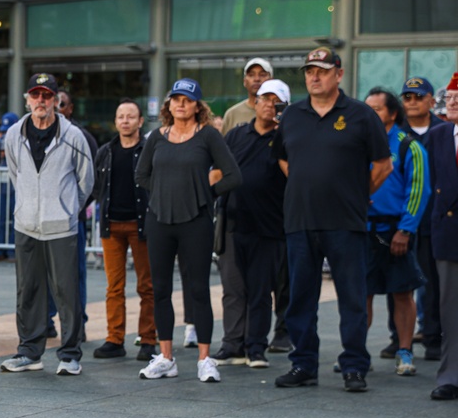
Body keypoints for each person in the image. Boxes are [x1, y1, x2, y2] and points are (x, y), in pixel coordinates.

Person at [272, 47, 393, 393]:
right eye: (310, 71)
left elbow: (384, 165)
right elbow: (281, 158)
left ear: (338, 74)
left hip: (346, 221)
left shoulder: (360, 115)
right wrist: (302, 181)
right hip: (300, 220)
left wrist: (357, 193)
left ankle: (354, 366)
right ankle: (303, 364)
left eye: (322, 71)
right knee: (301, 297)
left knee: (352, 297)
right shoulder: (292, 115)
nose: (314, 76)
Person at [135, 78, 241, 383]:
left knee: (198, 290)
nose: (181, 103)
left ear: (197, 106)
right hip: (160, 220)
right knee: (161, 290)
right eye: (176, 98)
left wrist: (204, 195)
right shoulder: (156, 137)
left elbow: (233, 175)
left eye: (187, 99)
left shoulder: (208, 135)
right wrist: (165, 193)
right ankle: (166, 358)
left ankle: (205, 359)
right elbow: (142, 174)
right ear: (169, 104)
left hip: (195, 221)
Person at [0, 73, 93, 376]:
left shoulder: (73, 136)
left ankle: (69, 354)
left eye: (47, 96)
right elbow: (16, 174)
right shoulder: (14, 134)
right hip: (26, 226)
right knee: (28, 290)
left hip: (61, 227)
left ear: (57, 100)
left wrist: (66, 209)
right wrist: (28, 205)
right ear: (27, 98)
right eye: (36, 95)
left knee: (67, 292)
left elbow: (85, 180)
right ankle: (29, 352)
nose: (41, 101)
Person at [213, 79, 289, 369]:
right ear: (255, 102)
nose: (269, 104)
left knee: (260, 291)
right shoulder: (235, 135)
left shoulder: (285, 138)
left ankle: (255, 347)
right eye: (265, 98)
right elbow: (218, 172)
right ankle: (232, 344)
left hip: (270, 227)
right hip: (233, 223)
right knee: (233, 289)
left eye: (276, 101)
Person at [363, 87, 430, 377]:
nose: (370, 114)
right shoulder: (358, 144)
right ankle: (356, 352)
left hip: (395, 230)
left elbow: (418, 191)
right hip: (363, 229)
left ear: (392, 113)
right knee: (360, 294)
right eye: (367, 108)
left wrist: (405, 230)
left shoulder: (408, 146)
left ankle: (404, 351)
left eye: (376, 109)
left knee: (403, 293)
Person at [92, 99, 155, 362]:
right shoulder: (105, 151)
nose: (125, 121)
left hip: (141, 225)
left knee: (147, 286)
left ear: (141, 121)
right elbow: (98, 186)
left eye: (131, 117)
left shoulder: (149, 150)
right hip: (112, 226)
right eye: (121, 116)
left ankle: (149, 339)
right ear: (115, 121)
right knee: (113, 287)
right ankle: (114, 338)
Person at [393, 76, 445, 361]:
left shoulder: (444, 130)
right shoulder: (395, 133)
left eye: (417, 96)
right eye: (407, 97)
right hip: (400, 220)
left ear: (430, 100)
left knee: (432, 283)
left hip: (434, 221)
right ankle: (397, 338)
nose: (411, 102)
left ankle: (433, 336)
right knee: (397, 282)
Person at [50, 90, 98, 342]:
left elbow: (91, 181)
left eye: (62, 104)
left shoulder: (81, 138)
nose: (56, 108)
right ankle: (45, 321)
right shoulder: (36, 135)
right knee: (42, 274)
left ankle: (78, 325)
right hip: (41, 222)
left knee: (74, 274)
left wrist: (74, 208)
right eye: (53, 104)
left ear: (70, 109)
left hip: (71, 221)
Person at [426, 72, 458, 400]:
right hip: (448, 231)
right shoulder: (438, 135)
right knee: (449, 309)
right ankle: (450, 375)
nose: (453, 103)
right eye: (449, 98)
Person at [0, 112, 18, 262]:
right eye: (3, 131)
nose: (4, 135)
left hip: (16, 188)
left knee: (15, 220)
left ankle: (13, 251)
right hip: (1, 186)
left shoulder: (21, 139)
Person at [221, 58, 273, 135]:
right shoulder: (232, 114)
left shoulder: (281, 113)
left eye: (262, 75)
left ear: (271, 80)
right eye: (251, 75)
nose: (257, 79)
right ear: (244, 81)